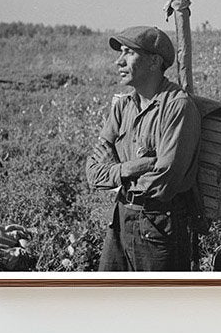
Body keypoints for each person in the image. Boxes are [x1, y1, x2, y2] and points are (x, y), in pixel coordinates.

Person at [86, 26, 201, 271]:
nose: (119, 61)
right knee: (110, 299)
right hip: (120, 217)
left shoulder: (177, 107)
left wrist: (115, 170)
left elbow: (163, 181)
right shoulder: (123, 106)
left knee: (156, 304)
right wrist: (134, 167)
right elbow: (93, 172)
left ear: (154, 62)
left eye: (129, 53)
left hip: (158, 224)